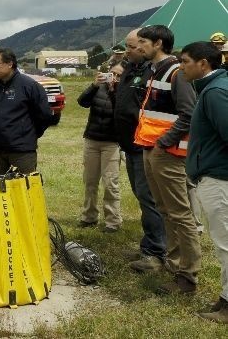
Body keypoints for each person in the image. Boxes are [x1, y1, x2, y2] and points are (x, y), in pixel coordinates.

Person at [134, 25, 200, 294]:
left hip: (167, 153)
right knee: (165, 210)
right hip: (152, 149)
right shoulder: (153, 70)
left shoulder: (177, 73)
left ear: (158, 43)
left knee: (180, 214)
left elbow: (188, 114)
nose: (138, 47)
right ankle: (174, 264)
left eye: (143, 42)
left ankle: (188, 275)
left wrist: (163, 142)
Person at [181, 42, 228, 323]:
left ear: (203, 64)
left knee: (226, 243)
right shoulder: (212, 88)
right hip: (215, 176)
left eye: (185, 61)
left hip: (220, 179)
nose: (182, 66)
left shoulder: (215, 92)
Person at [114, 29, 167, 272]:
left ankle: (156, 252)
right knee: (141, 196)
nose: (129, 50)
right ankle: (149, 244)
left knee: (149, 198)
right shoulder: (130, 69)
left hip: (144, 145)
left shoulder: (153, 72)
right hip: (129, 144)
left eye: (133, 46)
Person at [0, 48, 52, 174]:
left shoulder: (30, 86)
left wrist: (29, 134)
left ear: (10, 64)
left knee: (24, 190)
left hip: (22, 151)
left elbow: (45, 116)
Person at [76, 64, 122, 232]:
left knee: (110, 183)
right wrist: (94, 85)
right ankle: (89, 217)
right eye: (112, 73)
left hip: (112, 142)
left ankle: (113, 221)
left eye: (118, 75)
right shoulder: (98, 87)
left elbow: (122, 112)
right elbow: (82, 102)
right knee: (90, 181)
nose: (114, 77)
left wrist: (114, 91)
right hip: (92, 140)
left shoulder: (124, 91)